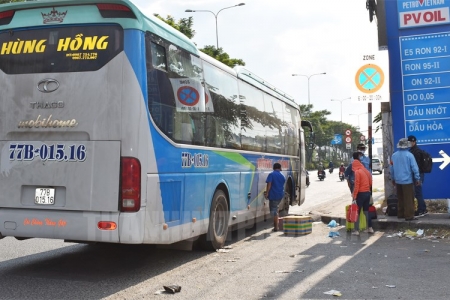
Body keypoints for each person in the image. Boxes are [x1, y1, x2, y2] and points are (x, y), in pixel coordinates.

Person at [390, 138, 421, 221]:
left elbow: (391, 168)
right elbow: (415, 168)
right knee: (408, 199)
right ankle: (409, 216)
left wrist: (393, 178)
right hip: (407, 181)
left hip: (397, 180)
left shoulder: (394, 155)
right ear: (406, 145)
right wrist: (417, 178)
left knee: (400, 198)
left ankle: (401, 214)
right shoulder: (409, 155)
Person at [351, 151, 374, 235]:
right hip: (367, 193)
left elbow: (357, 185)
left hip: (360, 194)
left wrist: (354, 196)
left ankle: (356, 230)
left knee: (356, 211)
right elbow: (370, 182)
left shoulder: (357, 172)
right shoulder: (365, 170)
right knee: (366, 211)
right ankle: (370, 228)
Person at [408, 135, 428, 217]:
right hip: (418, 174)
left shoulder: (416, 152)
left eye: (410, 142)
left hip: (418, 175)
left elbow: (416, 166)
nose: (409, 143)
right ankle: (423, 209)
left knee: (418, 193)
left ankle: (421, 210)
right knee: (418, 192)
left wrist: (417, 178)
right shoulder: (413, 150)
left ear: (414, 142)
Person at [265, 163, 286, 232]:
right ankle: (277, 224)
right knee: (276, 209)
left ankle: (276, 227)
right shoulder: (282, 176)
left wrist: (267, 193)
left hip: (274, 195)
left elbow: (269, 184)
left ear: (274, 168)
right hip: (280, 195)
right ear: (279, 168)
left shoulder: (271, 175)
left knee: (274, 211)